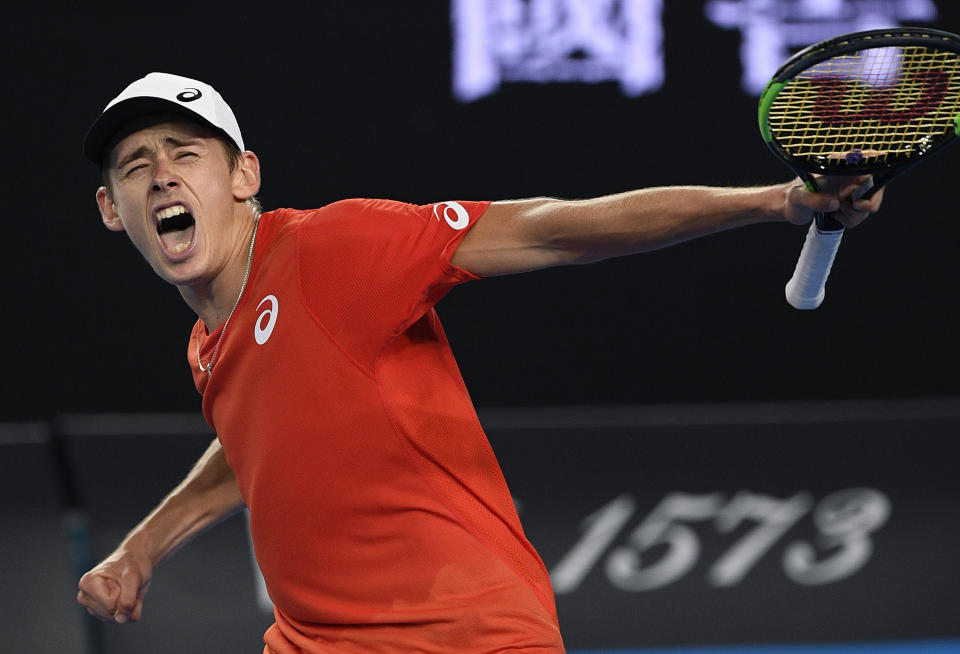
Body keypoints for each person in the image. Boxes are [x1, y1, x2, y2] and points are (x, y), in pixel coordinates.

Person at [76, 72, 883, 654]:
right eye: (136, 166)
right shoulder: (210, 341)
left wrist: (776, 202)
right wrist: (141, 549)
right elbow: (256, 436)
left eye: (184, 153)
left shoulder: (333, 251)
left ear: (244, 176)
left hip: (468, 636)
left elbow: (558, 228)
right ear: (114, 209)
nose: (162, 176)